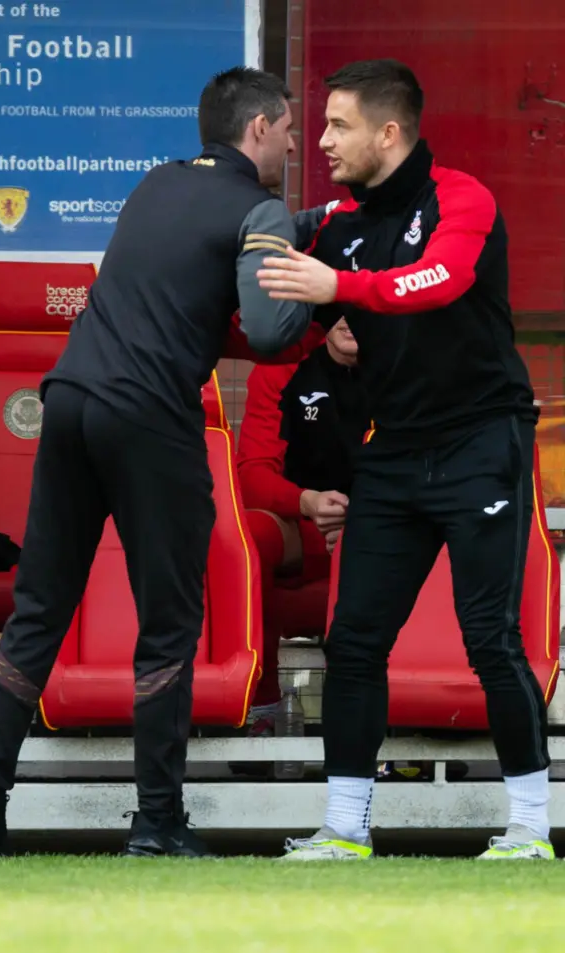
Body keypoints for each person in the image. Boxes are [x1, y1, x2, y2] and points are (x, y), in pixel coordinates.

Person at [0, 66, 334, 859]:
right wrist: (324, 299)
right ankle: (157, 821)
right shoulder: (256, 210)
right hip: (150, 416)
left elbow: (186, 290)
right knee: (169, 625)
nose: (297, 143)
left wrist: (298, 223)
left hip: (71, 401)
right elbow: (262, 331)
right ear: (257, 128)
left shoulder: (154, 185)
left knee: (38, 611)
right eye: (290, 128)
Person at [257, 59, 554, 861]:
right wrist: (326, 323)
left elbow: (439, 279)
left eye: (338, 125)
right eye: (319, 126)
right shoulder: (335, 224)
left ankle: (530, 826)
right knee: (353, 641)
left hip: (481, 442)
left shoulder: (463, 196)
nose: (320, 142)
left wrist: (341, 289)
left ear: (389, 132)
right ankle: (344, 830)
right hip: (391, 454)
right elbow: (284, 307)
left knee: (489, 636)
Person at [237, 318, 368, 731]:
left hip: (377, 531)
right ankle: (260, 706)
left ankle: (401, 714)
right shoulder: (283, 368)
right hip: (300, 527)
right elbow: (253, 475)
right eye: (338, 306)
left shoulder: (405, 368)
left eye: (360, 305)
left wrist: (363, 520)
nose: (348, 318)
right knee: (252, 536)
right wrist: (306, 502)